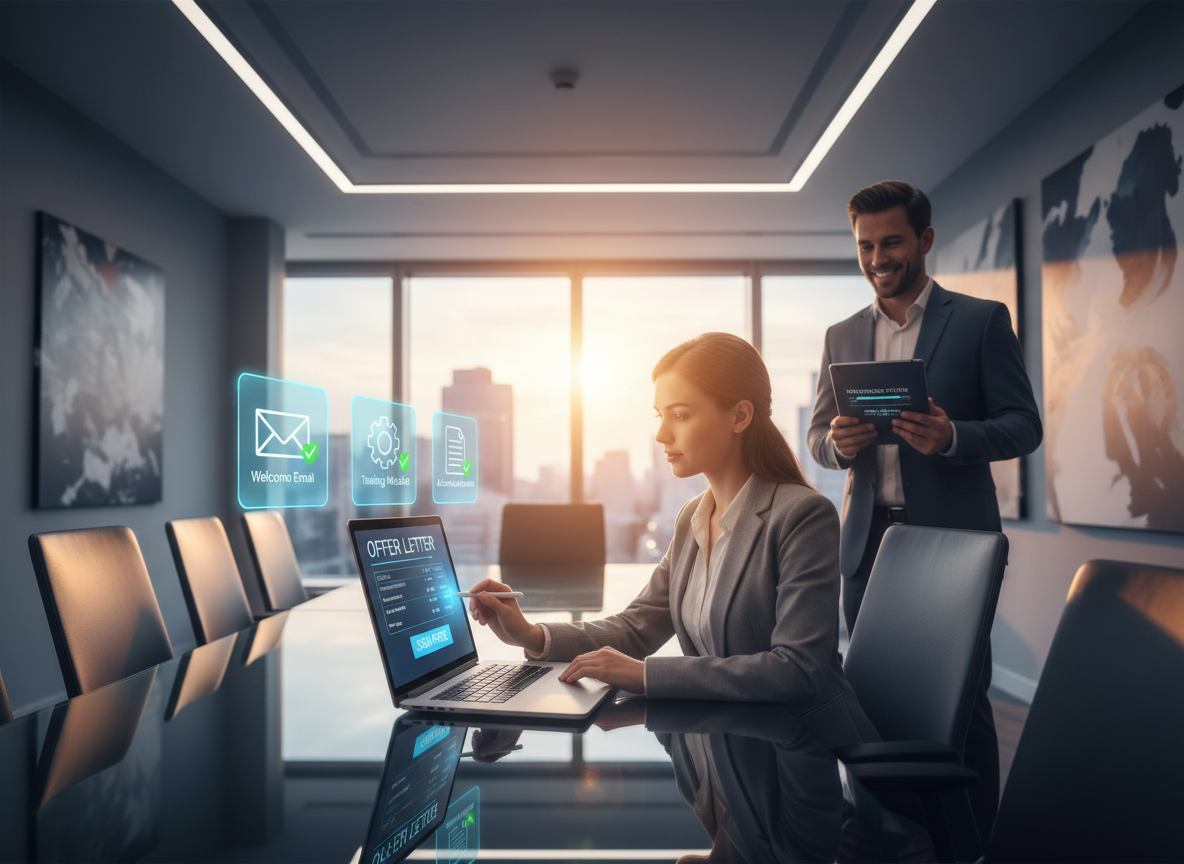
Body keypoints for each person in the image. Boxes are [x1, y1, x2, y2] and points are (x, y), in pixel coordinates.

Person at [468, 332, 879, 747]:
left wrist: (644, 675)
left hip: (805, 758)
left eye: (680, 415)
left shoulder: (803, 516)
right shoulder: (691, 519)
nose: (662, 434)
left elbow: (797, 672)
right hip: (724, 743)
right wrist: (532, 635)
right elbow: (635, 629)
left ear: (739, 416)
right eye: (659, 416)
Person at [807, 180, 1043, 838]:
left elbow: (1023, 426)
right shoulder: (841, 333)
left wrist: (954, 437)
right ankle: (886, 836)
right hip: (868, 541)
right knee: (869, 697)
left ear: (924, 240)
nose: (877, 257)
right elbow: (818, 436)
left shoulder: (980, 321)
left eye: (891, 242)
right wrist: (835, 443)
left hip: (952, 545)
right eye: (865, 245)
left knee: (960, 703)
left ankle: (972, 843)